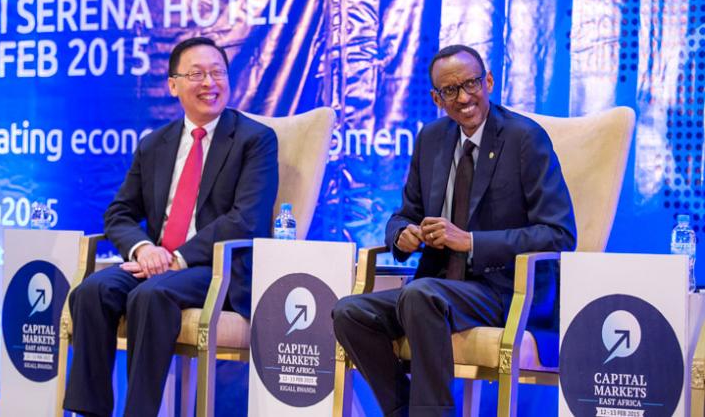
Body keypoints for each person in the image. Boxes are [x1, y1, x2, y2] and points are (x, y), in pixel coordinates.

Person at [332, 44, 576, 417]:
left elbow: (559, 234)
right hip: (439, 288)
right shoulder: (431, 139)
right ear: (436, 98)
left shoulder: (524, 138)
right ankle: (405, 409)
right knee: (349, 313)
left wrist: (471, 242)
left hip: (504, 291)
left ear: (489, 81)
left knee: (420, 295)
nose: (463, 98)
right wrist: (402, 235)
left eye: (471, 84)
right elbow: (403, 216)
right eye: (450, 90)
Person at [63, 36, 279, 417]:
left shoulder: (255, 140)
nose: (209, 83)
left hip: (217, 270)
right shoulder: (155, 145)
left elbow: (247, 219)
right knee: (92, 291)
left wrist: (175, 258)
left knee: (150, 296)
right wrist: (144, 251)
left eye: (217, 73)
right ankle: (89, 411)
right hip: (157, 262)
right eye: (196, 74)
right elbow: (119, 213)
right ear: (173, 84)